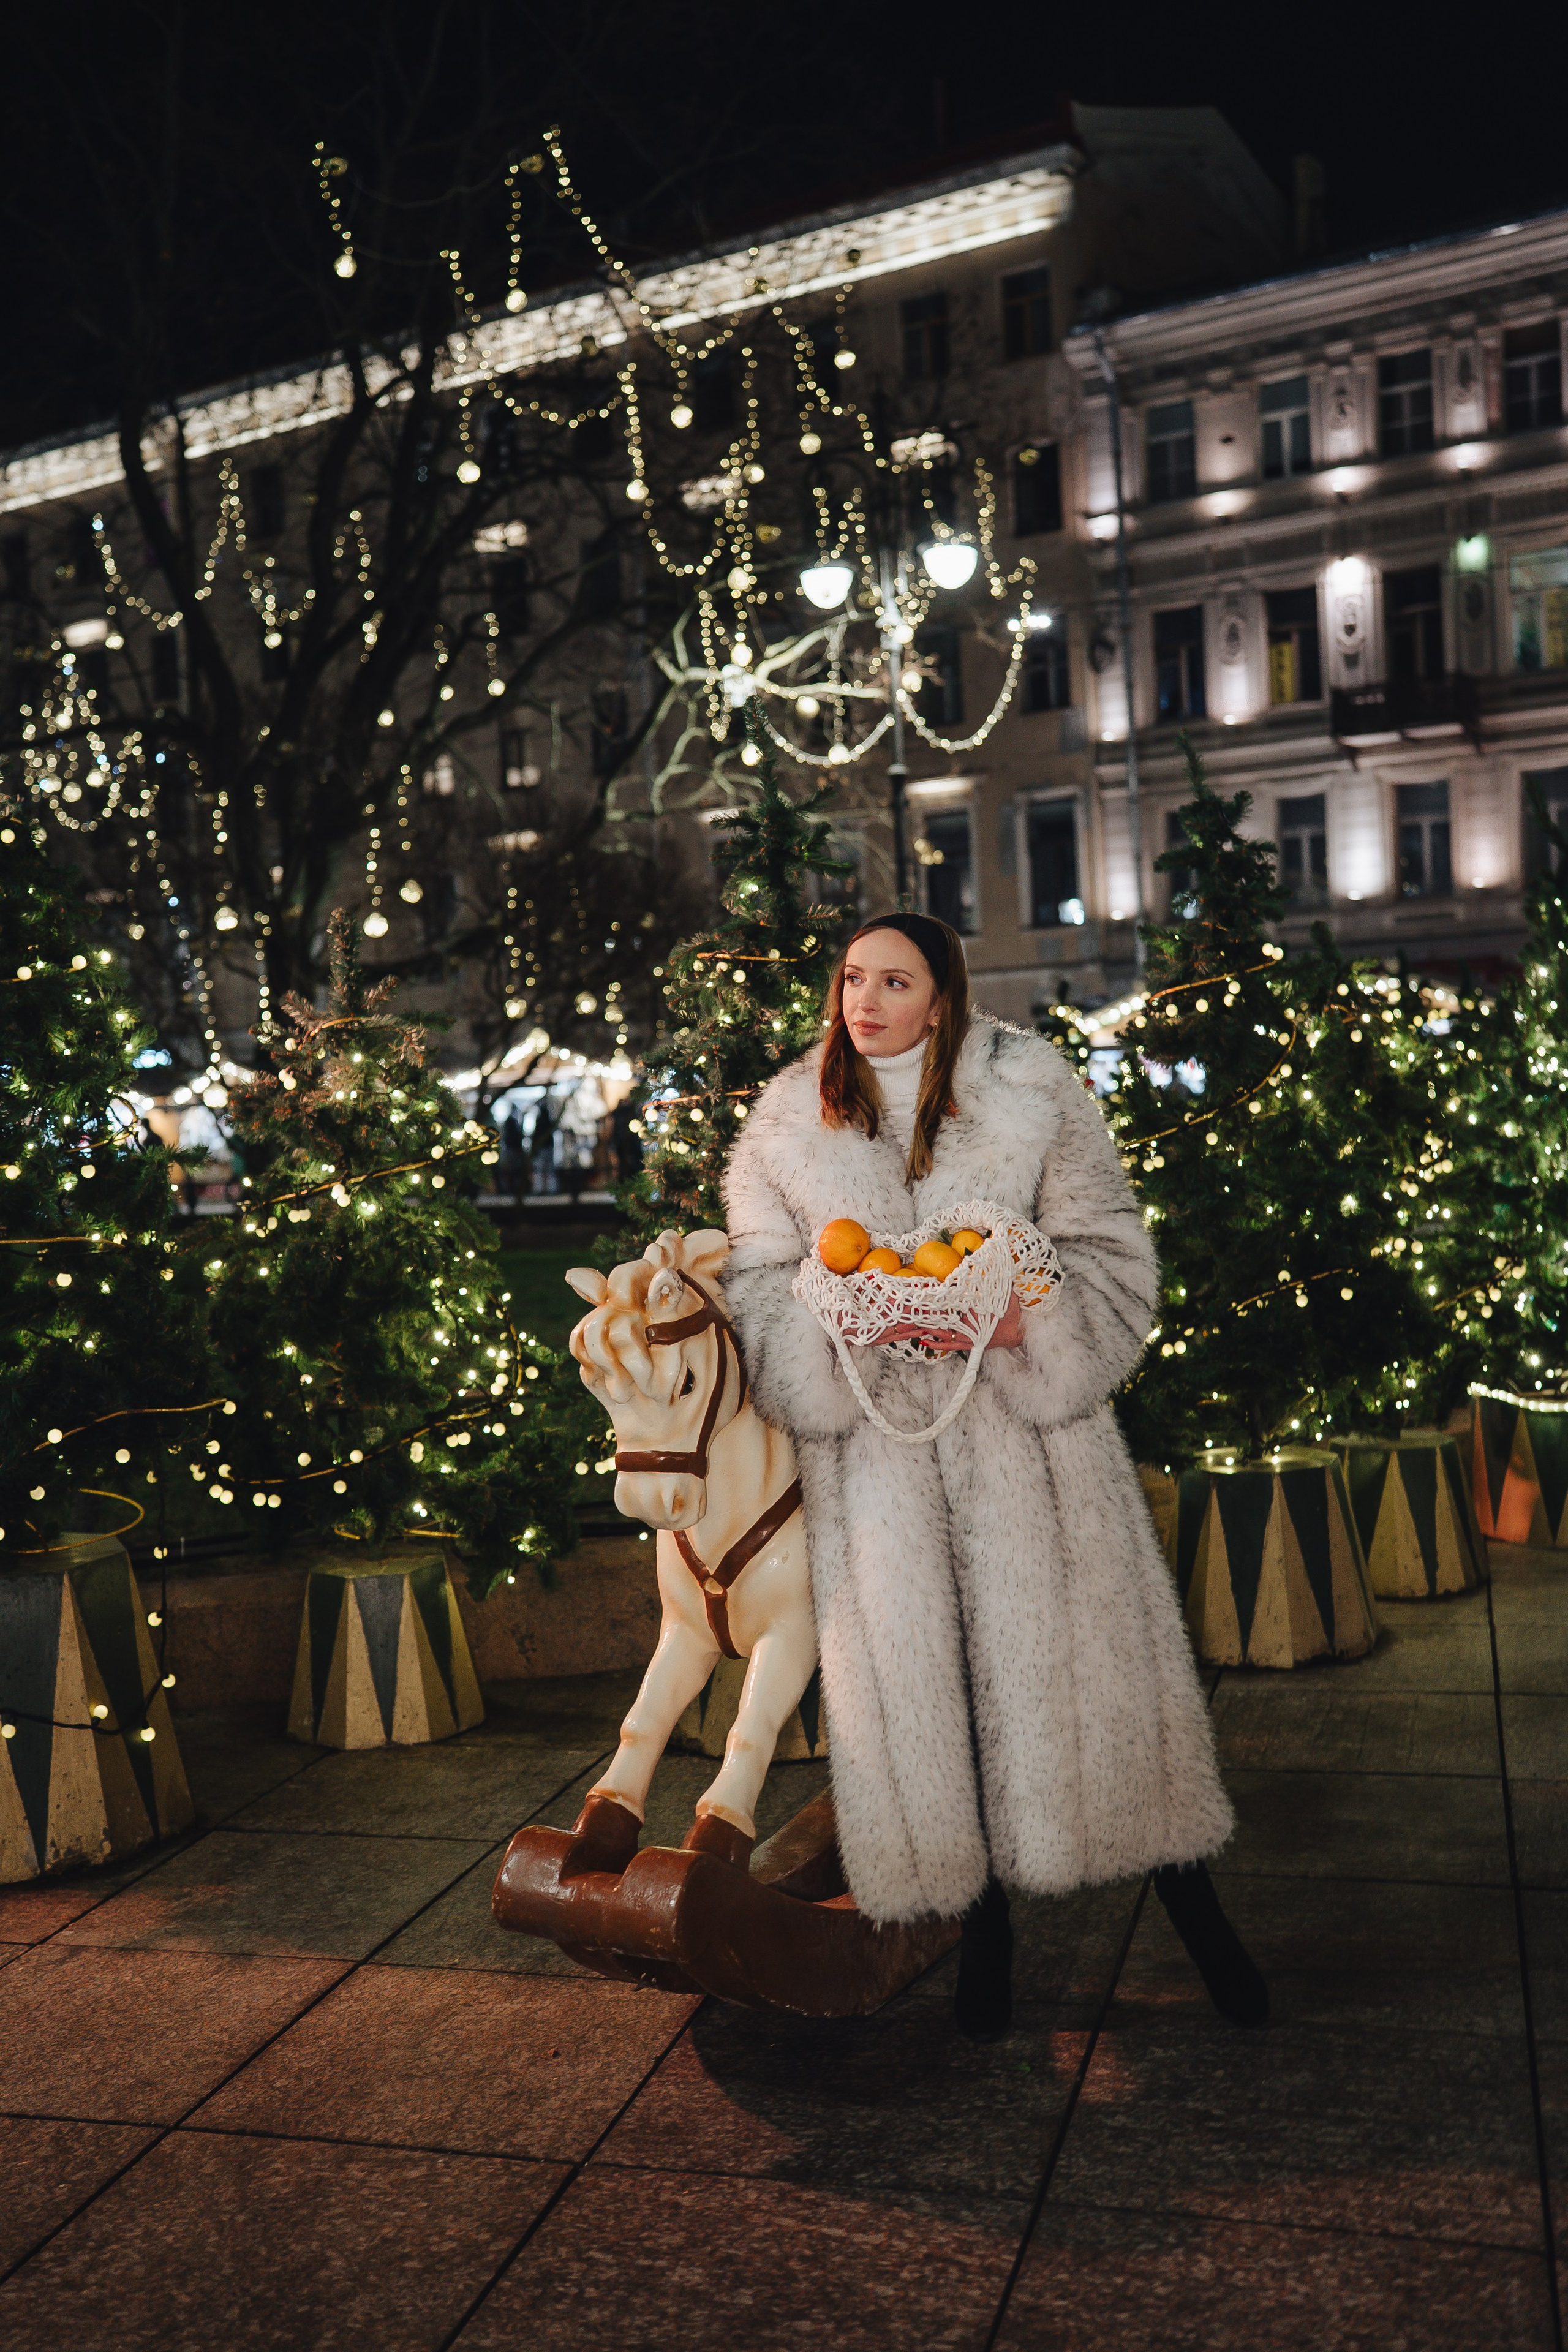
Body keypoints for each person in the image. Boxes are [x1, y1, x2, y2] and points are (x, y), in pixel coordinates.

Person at [722, 911, 1266, 2040]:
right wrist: (841, 1327)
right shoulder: (787, 1122)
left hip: (1037, 1464)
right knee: (933, 1721)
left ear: (942, 998)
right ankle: (985, 1942)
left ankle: (1202, 1920)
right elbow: (764, 1290)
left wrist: (1026, 1325)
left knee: (1106, 1703)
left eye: (895, 981)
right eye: (853, 979)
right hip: (879, 1472)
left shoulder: (1030, 1093)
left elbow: (1113, 1256)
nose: (864, 1002)